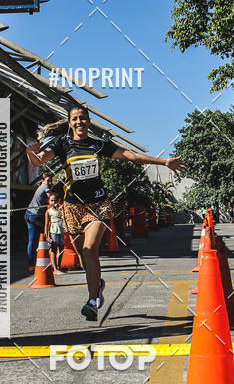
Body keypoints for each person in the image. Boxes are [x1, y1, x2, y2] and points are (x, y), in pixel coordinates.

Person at [27, 106, 185, 321]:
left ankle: (92, 302)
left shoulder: (98, 145)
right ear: (70, 122)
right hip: (72, 207)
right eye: (75, 119)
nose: (79, 122)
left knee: (90, 248)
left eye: (83, 118)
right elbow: (37, 160)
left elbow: (131, 156)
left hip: (98, 204)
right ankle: (98, 285)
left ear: (89, 122)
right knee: (84, 258)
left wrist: (163, 161)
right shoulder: (62, 144)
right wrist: (31, 150)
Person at [25, 173, 52, 272]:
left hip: (30, 214)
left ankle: (32, 263)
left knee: (33, 240)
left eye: (51, 180)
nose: (50, 182)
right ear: (42, 180)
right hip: (34, 216)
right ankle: (36, 262)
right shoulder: (45, 187)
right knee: (43, 236)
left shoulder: (41, 186)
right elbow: (51, 198)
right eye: (48, 180)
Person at [44, 192, 64, 273]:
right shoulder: (48, 211)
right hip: (53, 231)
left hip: (61, 230)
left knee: (61, 248)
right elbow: (46, 224)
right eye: (52, 200)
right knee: (53, 250)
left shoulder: (61, 209)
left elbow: (63, 217)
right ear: (49, 201)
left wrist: (59, 208)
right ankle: (55, 268)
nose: (53, 202)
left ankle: (59, 266)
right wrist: (46, 234)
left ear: (58, 200)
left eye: (55, 200)